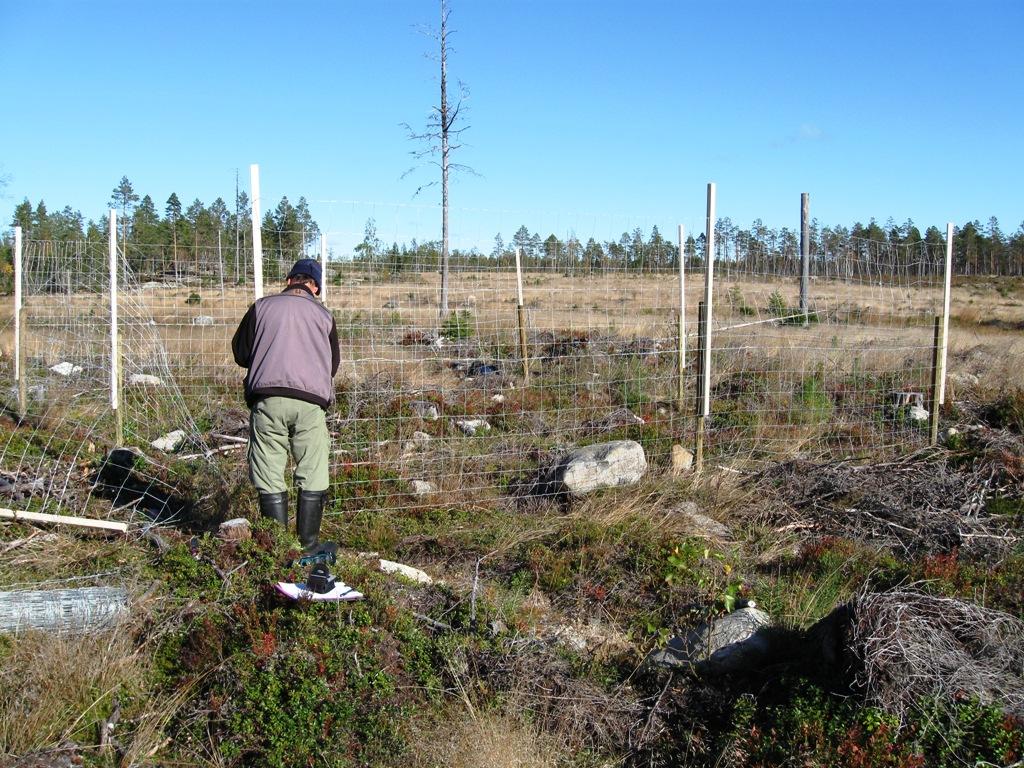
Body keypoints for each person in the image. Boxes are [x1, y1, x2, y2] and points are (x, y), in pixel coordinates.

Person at [231, 258, 339, 550]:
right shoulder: (325, 316)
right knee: (313, 468)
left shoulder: (261, 307)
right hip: (311, 404)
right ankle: (309, 544)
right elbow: (333, 365)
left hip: (269, 400)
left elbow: (240, 353)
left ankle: (276, 547)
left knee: (268, 468)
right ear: (315, 287)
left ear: (289, 280)